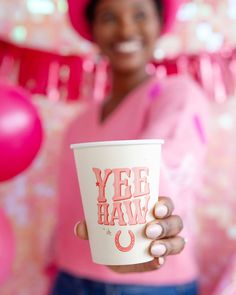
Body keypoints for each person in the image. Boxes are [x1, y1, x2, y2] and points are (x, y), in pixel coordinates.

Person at [51, 0, 208, 294]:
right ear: (93, 31)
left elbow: (170, 181)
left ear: (159, 25)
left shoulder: (178, 96)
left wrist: (144, 239)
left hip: (149, 284)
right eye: (109, 17)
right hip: (69, 277)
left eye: (139, 14)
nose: (125, 29)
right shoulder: (78, 123)